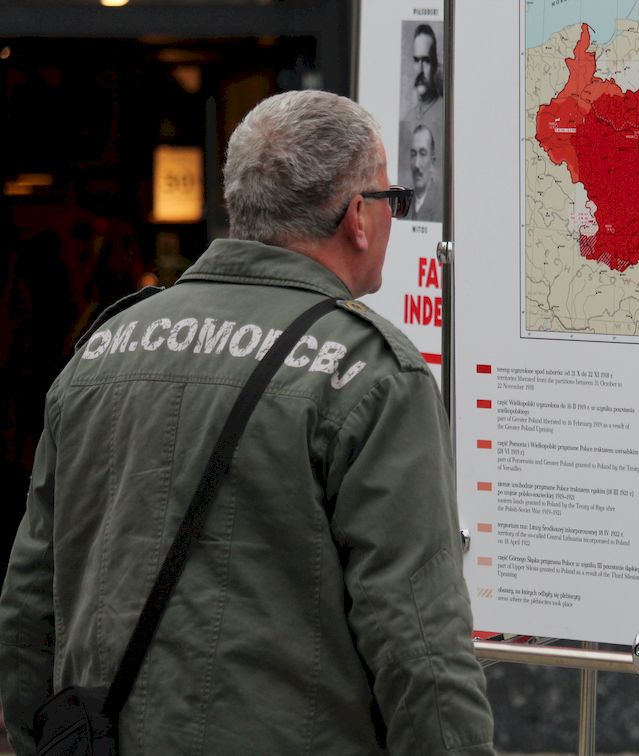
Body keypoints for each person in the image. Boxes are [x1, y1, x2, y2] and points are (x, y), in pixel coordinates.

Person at [0, 90, 494, 755]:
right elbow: (419, 642)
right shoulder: (369, 372)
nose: (391, 219)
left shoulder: (103, 350)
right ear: (357, 217)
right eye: (392, 201)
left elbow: (28, 602)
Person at [399, 23, 445, 214]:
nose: (420, 69)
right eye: (416, 60)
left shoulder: (444, 112)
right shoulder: (408, 116)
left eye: (426, 60)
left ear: (435, 64)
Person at [408, 124, 442, 222]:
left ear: (432, 163)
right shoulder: (402, 205)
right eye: (413, 154)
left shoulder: (441, 206)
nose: (417, 164)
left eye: (423, 154)